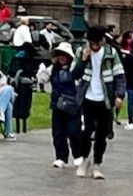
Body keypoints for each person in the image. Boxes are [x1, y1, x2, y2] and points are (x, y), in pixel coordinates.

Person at [72, 28, 126, 179]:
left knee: (102, 134)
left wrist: (119, 95)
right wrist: (83, 60)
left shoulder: (111, 53)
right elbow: (74, 74)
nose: (94, 46)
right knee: (86, 131)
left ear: (102, 41)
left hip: (105, 98)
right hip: (87, 97)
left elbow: (120, 76)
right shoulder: (81, 51)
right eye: (91, 43)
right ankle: (84, 160)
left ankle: (97, 164)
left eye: (97, 43)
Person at [47, 41, 82, 170]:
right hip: (57, 104)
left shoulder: (74, 70)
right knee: (58, 132)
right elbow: (42, 79)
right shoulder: (53, 70)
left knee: (73, 131)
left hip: (72, 105)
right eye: (59, 55)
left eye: (64, 55)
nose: (61, 58)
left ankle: (78, 155)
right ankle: (61, 157)